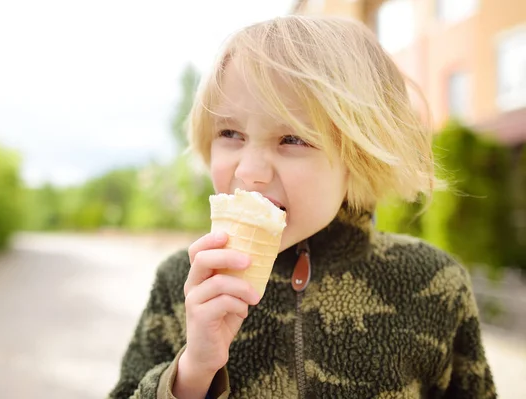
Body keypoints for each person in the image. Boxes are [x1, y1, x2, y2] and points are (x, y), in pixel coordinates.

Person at [108, 15, 496, 399]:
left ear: (359, 155)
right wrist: (191, 373)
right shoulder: (184, 283)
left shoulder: (433, 284)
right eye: (230, 133)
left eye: (292, 138)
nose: (250, 170)